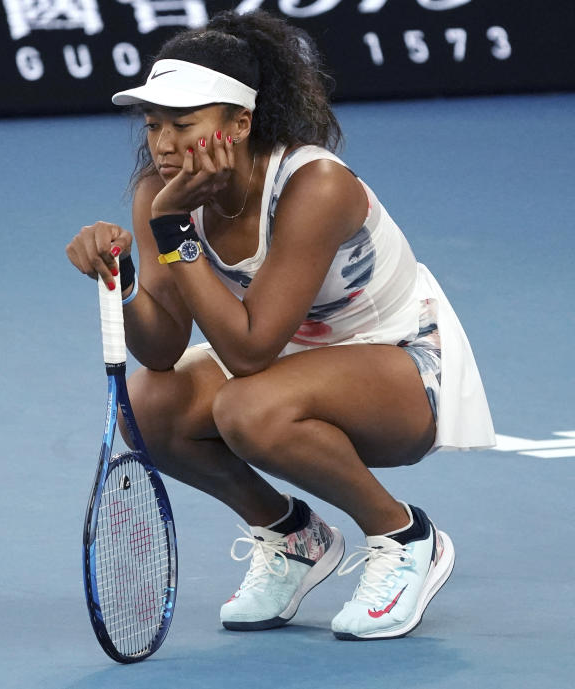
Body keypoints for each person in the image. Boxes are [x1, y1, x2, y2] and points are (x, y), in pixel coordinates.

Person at [65, 10, 494, 640]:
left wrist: (176, 234)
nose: (162, 143)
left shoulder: (314, 185)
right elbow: (160, 351)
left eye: (183, 124)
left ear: (240, 123)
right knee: (146, 408)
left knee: (247, 406)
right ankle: (292, 537)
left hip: (400, 370)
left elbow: (248, 353)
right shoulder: (161, 192)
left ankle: (404, 535)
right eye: (154, 125)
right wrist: (124, 277)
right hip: (291, 364)